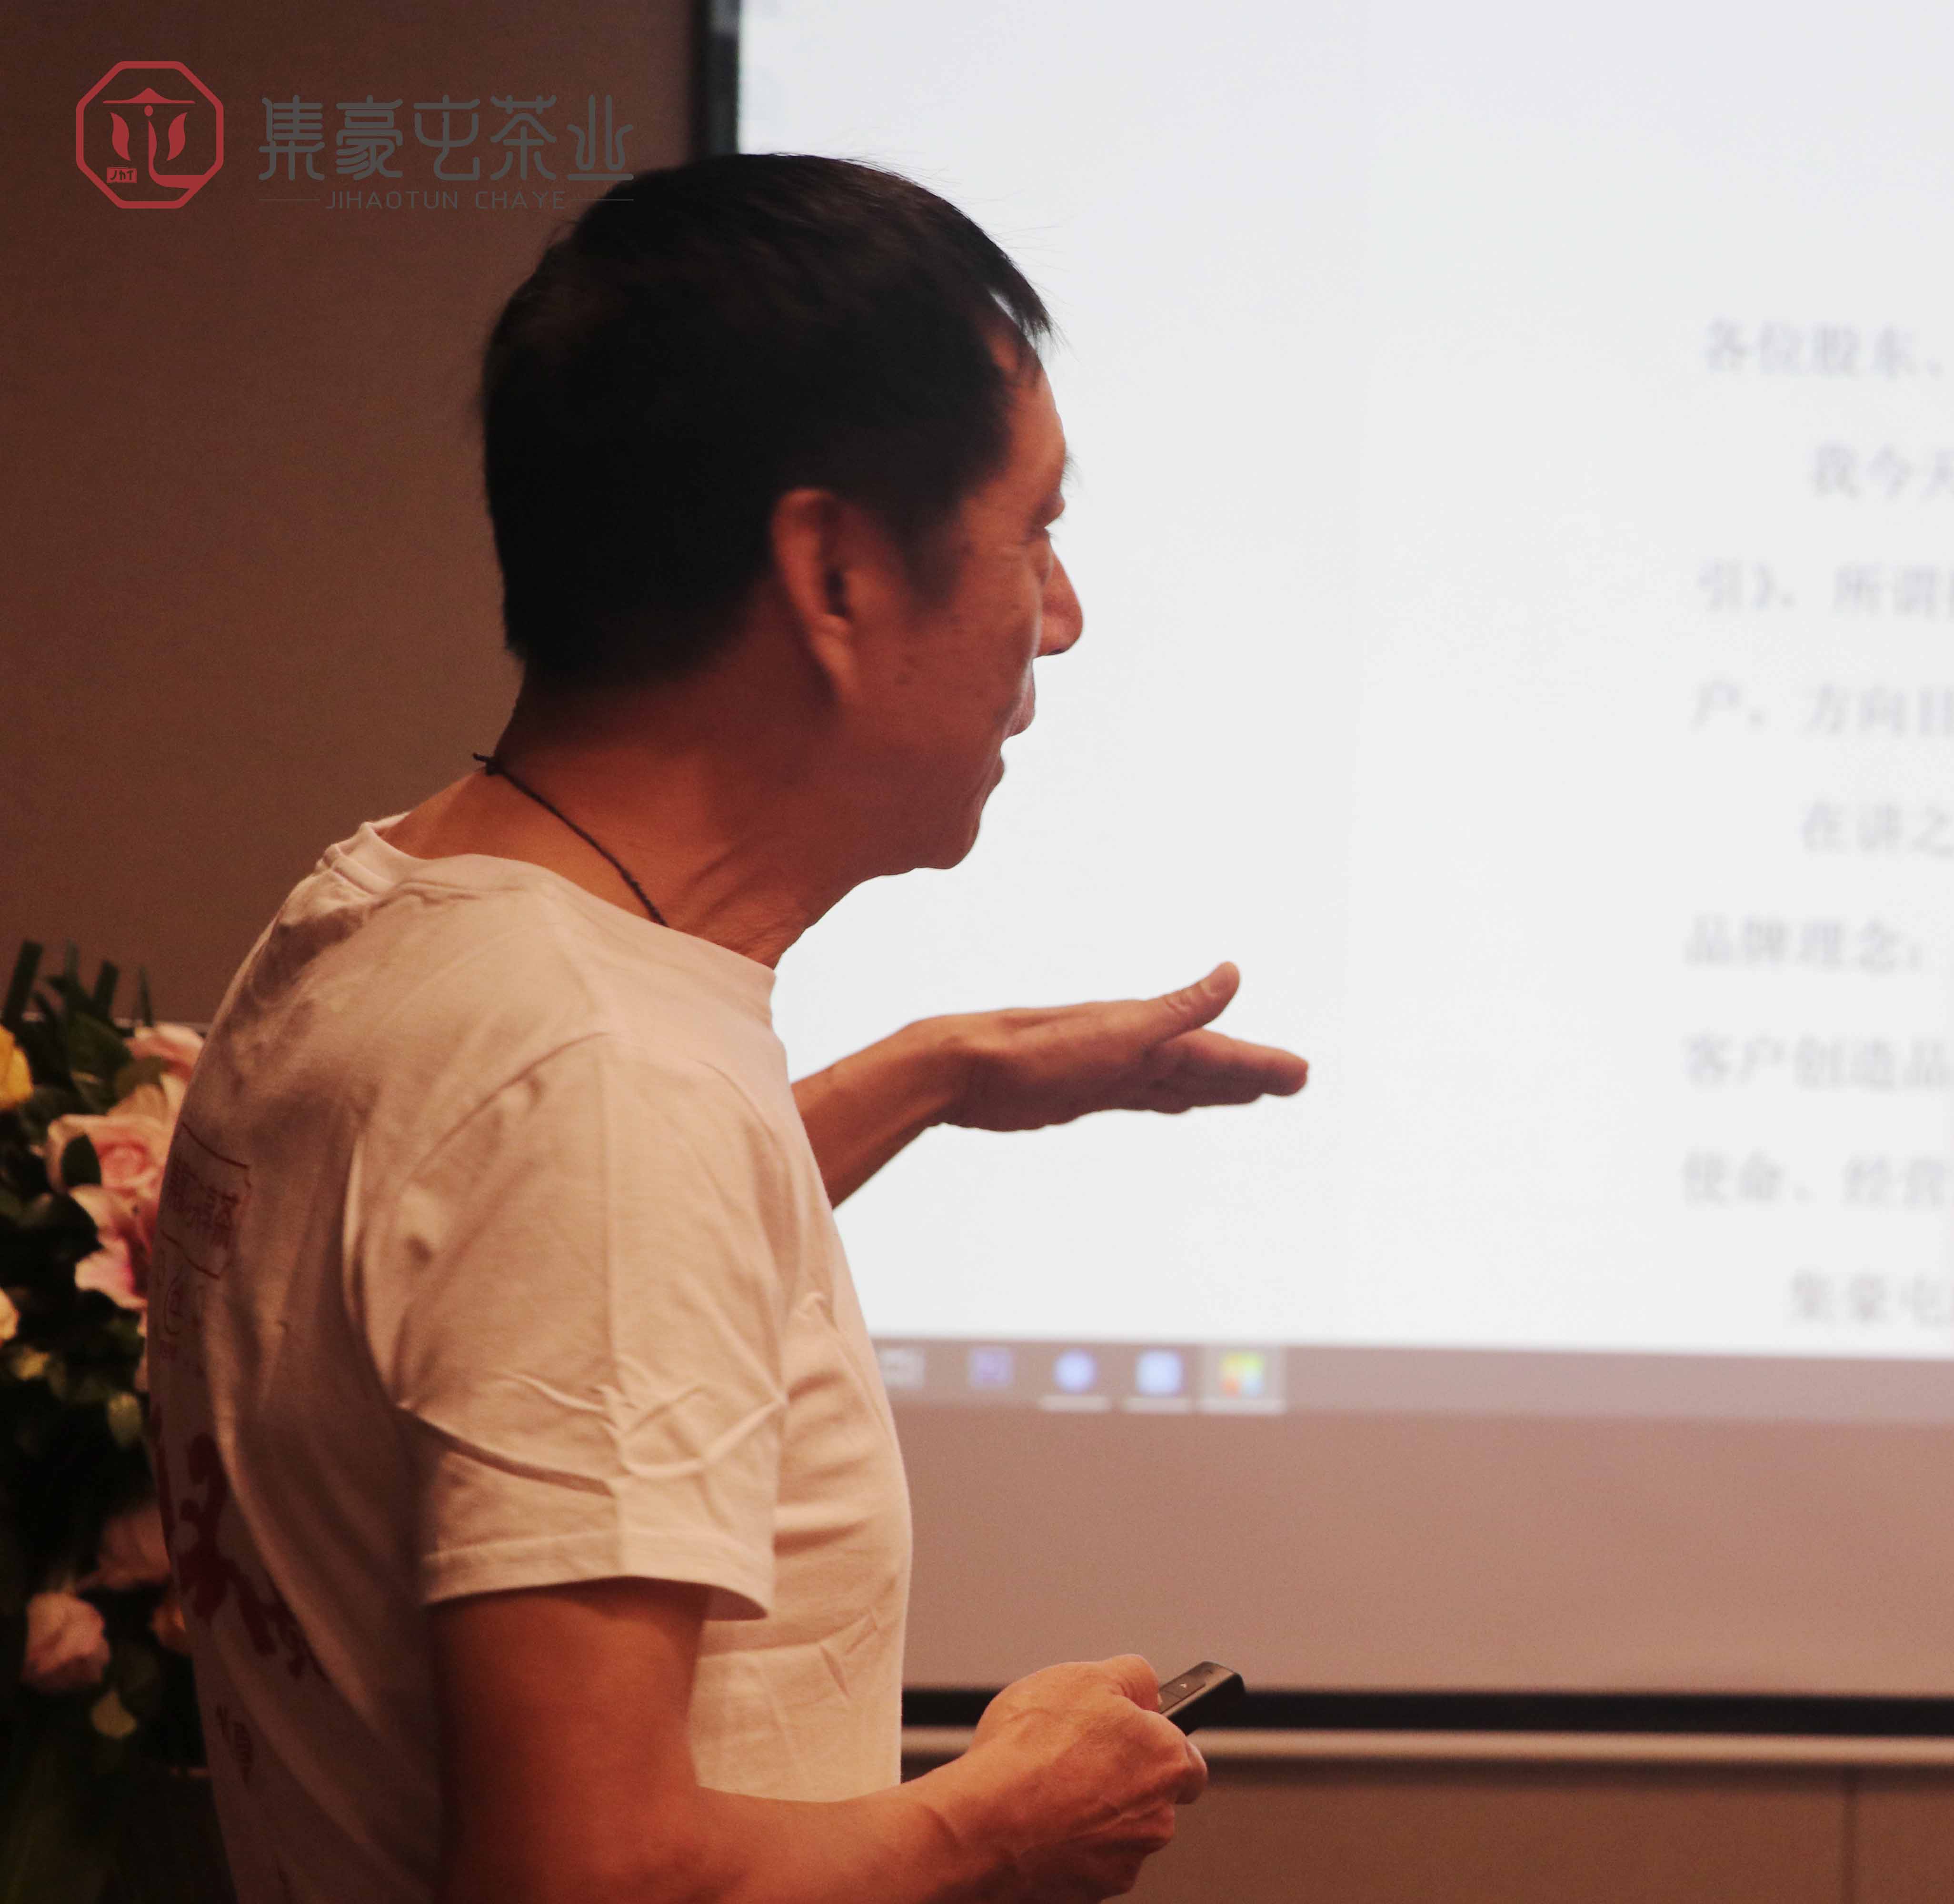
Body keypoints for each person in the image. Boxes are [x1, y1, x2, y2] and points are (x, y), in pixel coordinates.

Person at [142, 154, 1307, 1904]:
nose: (1061, 617)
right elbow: (581, 1879)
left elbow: (490, 1277)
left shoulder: (387, 912)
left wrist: (931, 1075)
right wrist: (1003, 1816)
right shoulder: (606, 1087)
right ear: (833, 574)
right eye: (1034, 534)